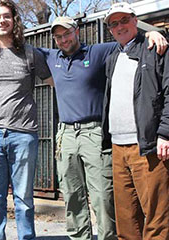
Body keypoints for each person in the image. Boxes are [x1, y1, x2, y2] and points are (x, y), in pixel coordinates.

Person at [38, 16, 167, 239]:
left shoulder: (99, 52)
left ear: (76, 31)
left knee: (104, 197)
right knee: (73, 195)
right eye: (58, 36)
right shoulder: (50, 56)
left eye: (67, 33)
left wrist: (153, 32)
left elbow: (130, 38)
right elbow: (18, 46)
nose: (63, 39)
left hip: (95, 132)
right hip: (68, 134)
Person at [0, 0, 52, 239]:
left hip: (23, 134)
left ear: (14, 20)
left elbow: (55, 79)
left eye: (6, 16)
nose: (1, 21)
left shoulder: (30, 54)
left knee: (24, 198)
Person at [102, 2, 169, 239]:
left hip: (148, 146)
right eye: (114, 23)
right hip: (118, 147)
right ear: (109, 29)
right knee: (126, 218)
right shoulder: (112, 56)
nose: (119, 27)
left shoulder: (154, 47)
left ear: (134, 20)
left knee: (156, 217)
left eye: (123, 20)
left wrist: (165, 133)